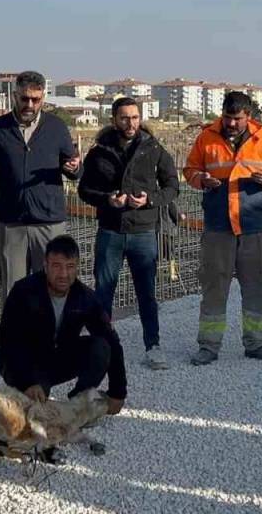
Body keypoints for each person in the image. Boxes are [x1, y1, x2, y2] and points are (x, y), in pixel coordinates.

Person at [183, 91, 262, 366]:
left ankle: (256, 343)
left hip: (254, 227)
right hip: (218, 227)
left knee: (256, 286)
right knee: (214, 286)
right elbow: (190, 170)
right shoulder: (206, 138)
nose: (231, 123)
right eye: (228, 117)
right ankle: (209, 345)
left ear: (249, 117)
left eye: (238, 119)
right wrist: (201, 179)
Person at [77, 96, 179, 370]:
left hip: (143, 232)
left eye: (134, 117)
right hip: (110, 231)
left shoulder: (153, 148)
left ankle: (153, 346)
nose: (130, 123)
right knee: (103, 292)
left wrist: (150, 200)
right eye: (124, 118)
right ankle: (102, 346)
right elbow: (84, 190)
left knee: (146, 292)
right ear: (114, 120)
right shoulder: (99, 151)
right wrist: (108, 199)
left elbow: (172, 185)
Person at [0, 71, 82, 302]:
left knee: (55, 290)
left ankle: (51, 338)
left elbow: (73, 168)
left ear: (43, 98)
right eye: (25, 99)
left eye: (36, 99)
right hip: (11, 222)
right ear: (15, 96)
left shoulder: (56, 127)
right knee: (13, 293)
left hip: (49, 222)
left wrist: (73, 168)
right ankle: (16, 339)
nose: (30, 104)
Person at [0, 235, 126, 414]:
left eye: (70, 267)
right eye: (57, 266)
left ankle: (79, 402)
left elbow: (112, 341)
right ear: (45, 265)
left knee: (101, 347)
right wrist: (26, 382)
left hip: (58, 357)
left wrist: (118, 393)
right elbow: (9, 344)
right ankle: (29, 392)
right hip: (28, 362)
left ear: (77, 267)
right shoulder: (23, 292)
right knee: (34, 413)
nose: (64, 274)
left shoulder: (85, 297)